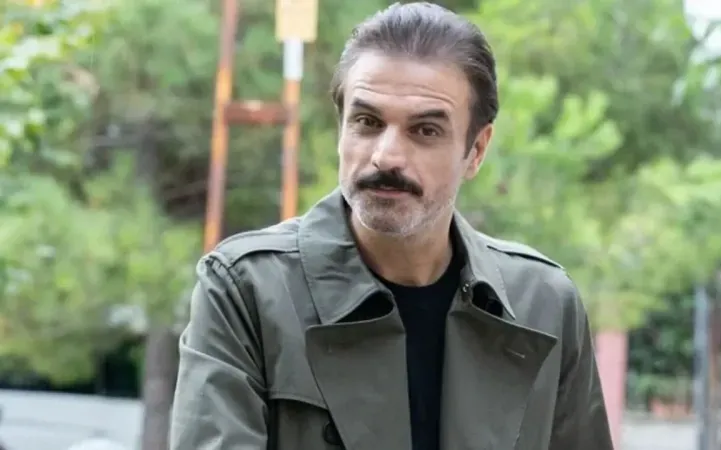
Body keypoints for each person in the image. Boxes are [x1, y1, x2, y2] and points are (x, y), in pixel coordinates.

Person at [169, 2, 613, 449]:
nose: (386, 156)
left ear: (476, 150)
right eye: (367, 122)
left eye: (425, 131)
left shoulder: (543, 305)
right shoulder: (246, 291)